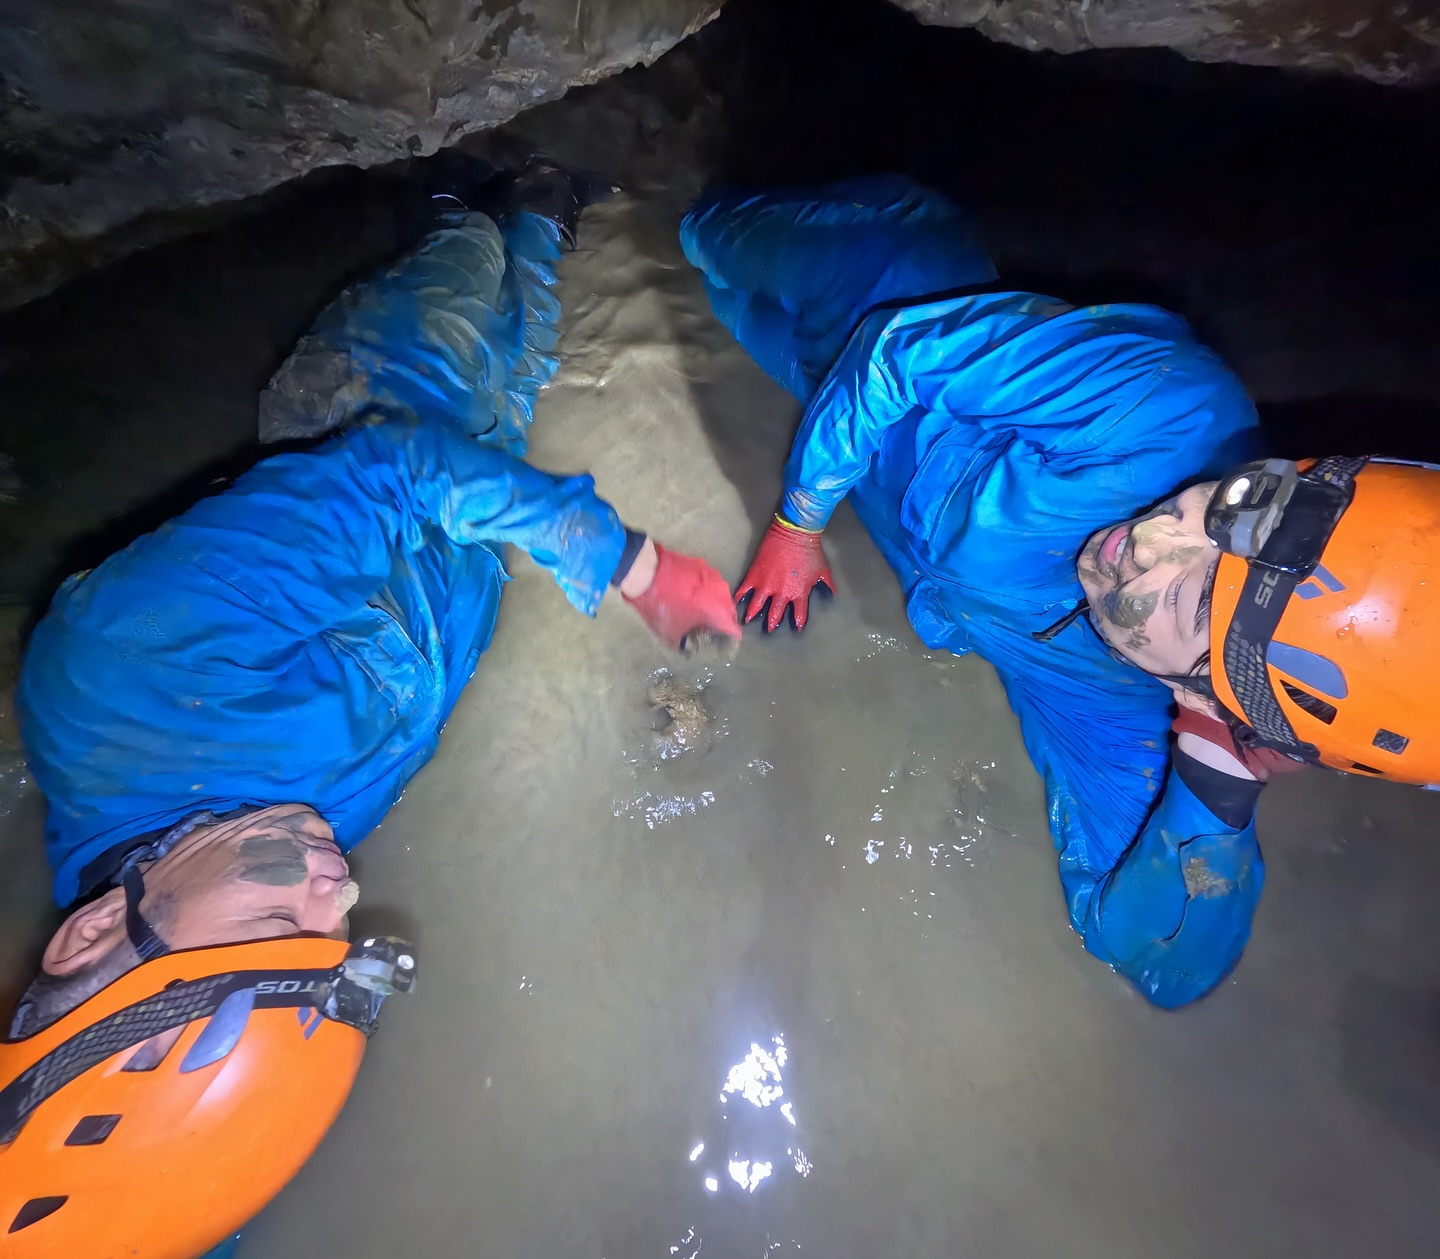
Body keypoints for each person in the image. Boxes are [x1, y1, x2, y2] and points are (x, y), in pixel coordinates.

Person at [0, 161, 740, 1258]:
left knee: (461, 283)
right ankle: (541, 211)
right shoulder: (221, 915)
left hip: (382, 402)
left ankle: (465, 208)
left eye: (274, 920)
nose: (341, 888)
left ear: (101, 925)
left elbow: (389, 472)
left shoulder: (116, 676)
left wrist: (628, 564)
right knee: (527, 350)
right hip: (464, 555)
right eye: (330, 938)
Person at [681, 175, 1440, 1010]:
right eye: (1227, 509)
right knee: (696, 236)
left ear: (1204, 695)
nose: (1152, 538)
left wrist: (1218, 778)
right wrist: (797, 521)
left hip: (842, 420)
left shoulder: (1131, 706)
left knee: (723, 311)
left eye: (1189, 603)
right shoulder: (1166, 407)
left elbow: (1157, 962)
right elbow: (896, 352)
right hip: (887, 280)